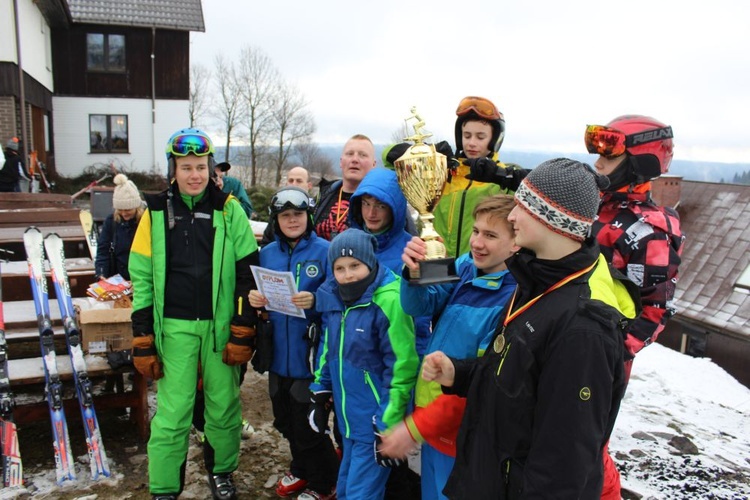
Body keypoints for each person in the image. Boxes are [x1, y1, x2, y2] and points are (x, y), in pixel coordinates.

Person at [422, 158, 639, 499]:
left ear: (551, 218)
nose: (511, 215)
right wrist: (460, 373)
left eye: (522, 206)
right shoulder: (535, 281)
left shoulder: (583, 327)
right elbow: (520, 379)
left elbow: (564, 464)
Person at [129, 128, 259, 500]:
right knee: (173, 413)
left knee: (223, 406)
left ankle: (222, 473)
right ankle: (165, 487)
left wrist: (242, 326)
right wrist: (142, 336)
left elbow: (248, 270)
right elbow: (140, 278)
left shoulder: (229, 209)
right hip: (174, 328)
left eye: (200, 167)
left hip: (219, 328)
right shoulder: (153, 213)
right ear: (174, 169)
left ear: (210, 168)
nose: (194, 175)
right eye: (186, 167)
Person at [378, 194, 519, 500]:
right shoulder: (465, 265)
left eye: (491, 235)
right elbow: (418, 305)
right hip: (431, 415)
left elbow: (483, 380)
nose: (478, 243)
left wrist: (415, 428)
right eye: (476, 231)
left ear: (516, 242)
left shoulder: (510, 299)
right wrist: (413, 272)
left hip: (463, 432)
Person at [585, 115, 685, 499]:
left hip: (600, 361)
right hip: (565, 342)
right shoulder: (599, 209)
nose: (597, 166)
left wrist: (609, 353)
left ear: (637, 164)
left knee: (585, 446)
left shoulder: (646, 230)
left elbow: (655, 312)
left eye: (607, 160)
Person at [309, 229, 419, 499]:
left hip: (374, 424)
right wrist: (320, 390)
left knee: (361, 494)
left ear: (370, 262)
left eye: (355, 266)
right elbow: (328, 347)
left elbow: (402, 366)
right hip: (349, 421)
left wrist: (386, 423)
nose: (347, 275)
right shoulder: (335, 296)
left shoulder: (389, 300)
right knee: (346, 488)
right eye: (339, 268)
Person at [248, 186, 338, 500]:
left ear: (308, 216)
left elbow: (338, 294)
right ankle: (301, 467)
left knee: (307, 424)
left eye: (298, 214)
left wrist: (315, 298)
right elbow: (259, 293)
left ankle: (325, 483)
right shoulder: (268, 252)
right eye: (285, 215)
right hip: (277, 354)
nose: (292, 220)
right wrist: (255, 298)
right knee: (284, 419)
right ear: (276, 219)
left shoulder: (325, 250)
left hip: (309, 354)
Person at [430, 96, 525, 258]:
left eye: (480, 137)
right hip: (441, 263)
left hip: (485, 266)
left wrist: (500, 175)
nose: (472, 143)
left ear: (494, 140)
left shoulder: (505, 176)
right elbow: (388, 157)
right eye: (466, 136)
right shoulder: (444, 172)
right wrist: (425, 152)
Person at [312, 134, 378, 241]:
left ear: (374, 165)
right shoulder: (323, 196)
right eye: (350, 154)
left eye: (362, 155)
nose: (355, 159)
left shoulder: (382, 202)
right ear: (341, 162)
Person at [95, 173, 144, 280]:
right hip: (118, 277)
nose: (124, 213)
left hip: (141, 276)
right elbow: (103, 250)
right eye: (120, 210)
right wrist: (101, 273)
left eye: (127, 210)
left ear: (136, 207)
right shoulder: (111, 221)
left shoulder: (146, 221)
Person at [260, 165, 315, 247]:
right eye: (291, 180)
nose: (294, 184)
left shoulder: (316, 209)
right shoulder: (278, 208)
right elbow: (267, 240)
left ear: (309, 185)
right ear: (286, 184)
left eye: (299, 181)